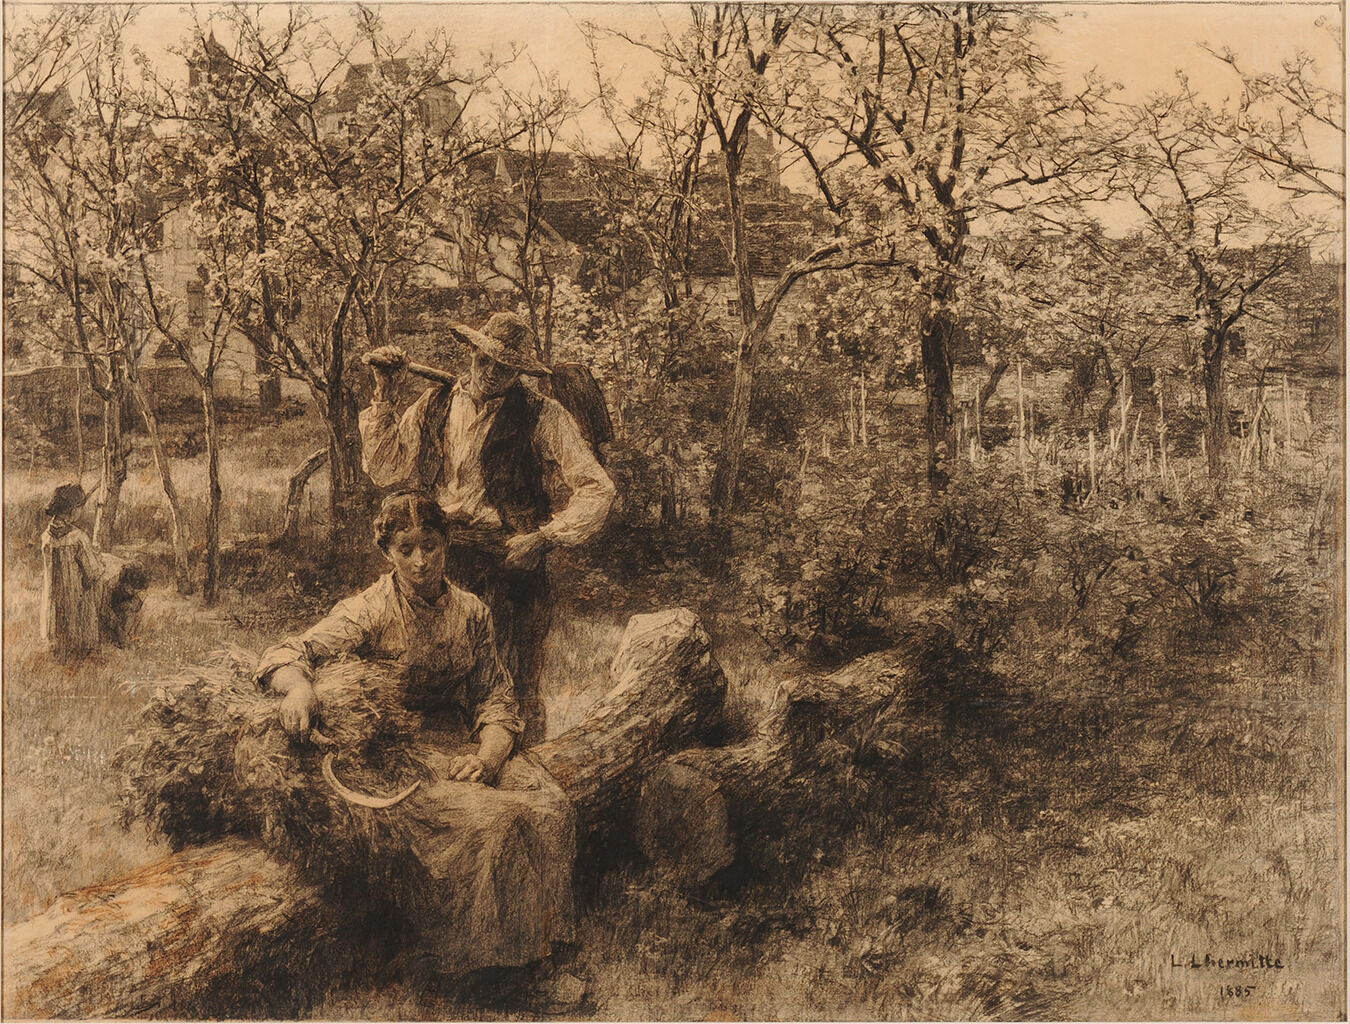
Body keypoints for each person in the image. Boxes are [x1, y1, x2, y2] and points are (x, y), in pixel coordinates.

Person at [253, 489, 576, 971]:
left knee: (551, 805)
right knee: (491, 820)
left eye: (430, 545)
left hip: (459, 743)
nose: (421, 561)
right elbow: (283, 654)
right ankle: (491, 970)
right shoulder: (371, 609)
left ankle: (551, 945)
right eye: (406, 549)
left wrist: (487, 758)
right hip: (393, 752)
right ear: (387, 552)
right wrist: (299, 690)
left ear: (447, 544)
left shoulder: (471, 612)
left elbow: (496, 698)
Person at [360, 312, 615, 746]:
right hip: (443, 559)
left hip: (509, 562)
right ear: (472, 353)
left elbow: (597, 488)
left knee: (508, 685)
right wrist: (385, 395)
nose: (493, 373)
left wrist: (544, 538)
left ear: (519, 371)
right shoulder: (434, 404)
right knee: (439, 679)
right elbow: (385, 470)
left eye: (506, 367)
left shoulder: (541, 414)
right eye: (486, 361)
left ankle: (522, 783)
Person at [40, 482, 104, 660]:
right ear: (72, 510)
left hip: (54, 597)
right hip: (76, 599)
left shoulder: (46, 537)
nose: (81, 511)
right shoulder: (78, 538)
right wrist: (97, 557)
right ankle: (82, 650)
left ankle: (57, 648)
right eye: (80, 507)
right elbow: (94, 571)